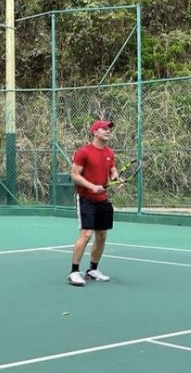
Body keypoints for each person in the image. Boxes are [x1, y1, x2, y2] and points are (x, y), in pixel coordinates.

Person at [67, 120, 119, 287]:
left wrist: (116, 178)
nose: (108, 131)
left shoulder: (110, 152)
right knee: (87, 234)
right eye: (104, 129)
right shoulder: (84, 152)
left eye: (109, 129)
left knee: (102, 235)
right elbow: (74, 175)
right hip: (85, 198)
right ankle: (74, 272)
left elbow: (112, 170)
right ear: (95, 132)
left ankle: (92, 270)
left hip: (102, 200)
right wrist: (91, 186)